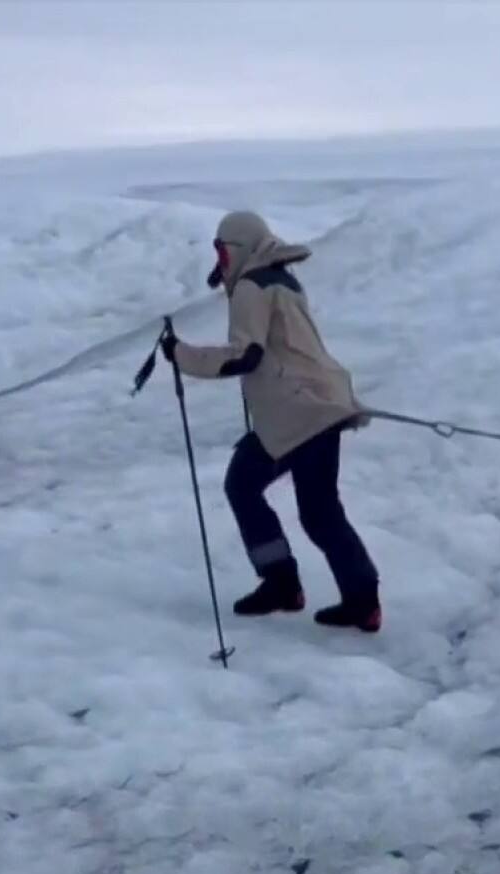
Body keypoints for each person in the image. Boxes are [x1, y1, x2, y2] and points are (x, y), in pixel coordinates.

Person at [161, 210, 382, 633]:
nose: (221, 261)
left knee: (246, 486)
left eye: (223, 252)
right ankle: (360, 599)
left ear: (239, 248)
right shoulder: (281, 279)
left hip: (294, 413)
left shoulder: (250, 287)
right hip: (319, 406)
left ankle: (283, 584)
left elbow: (246, 355)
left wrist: (182, 355)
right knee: (318, 510)